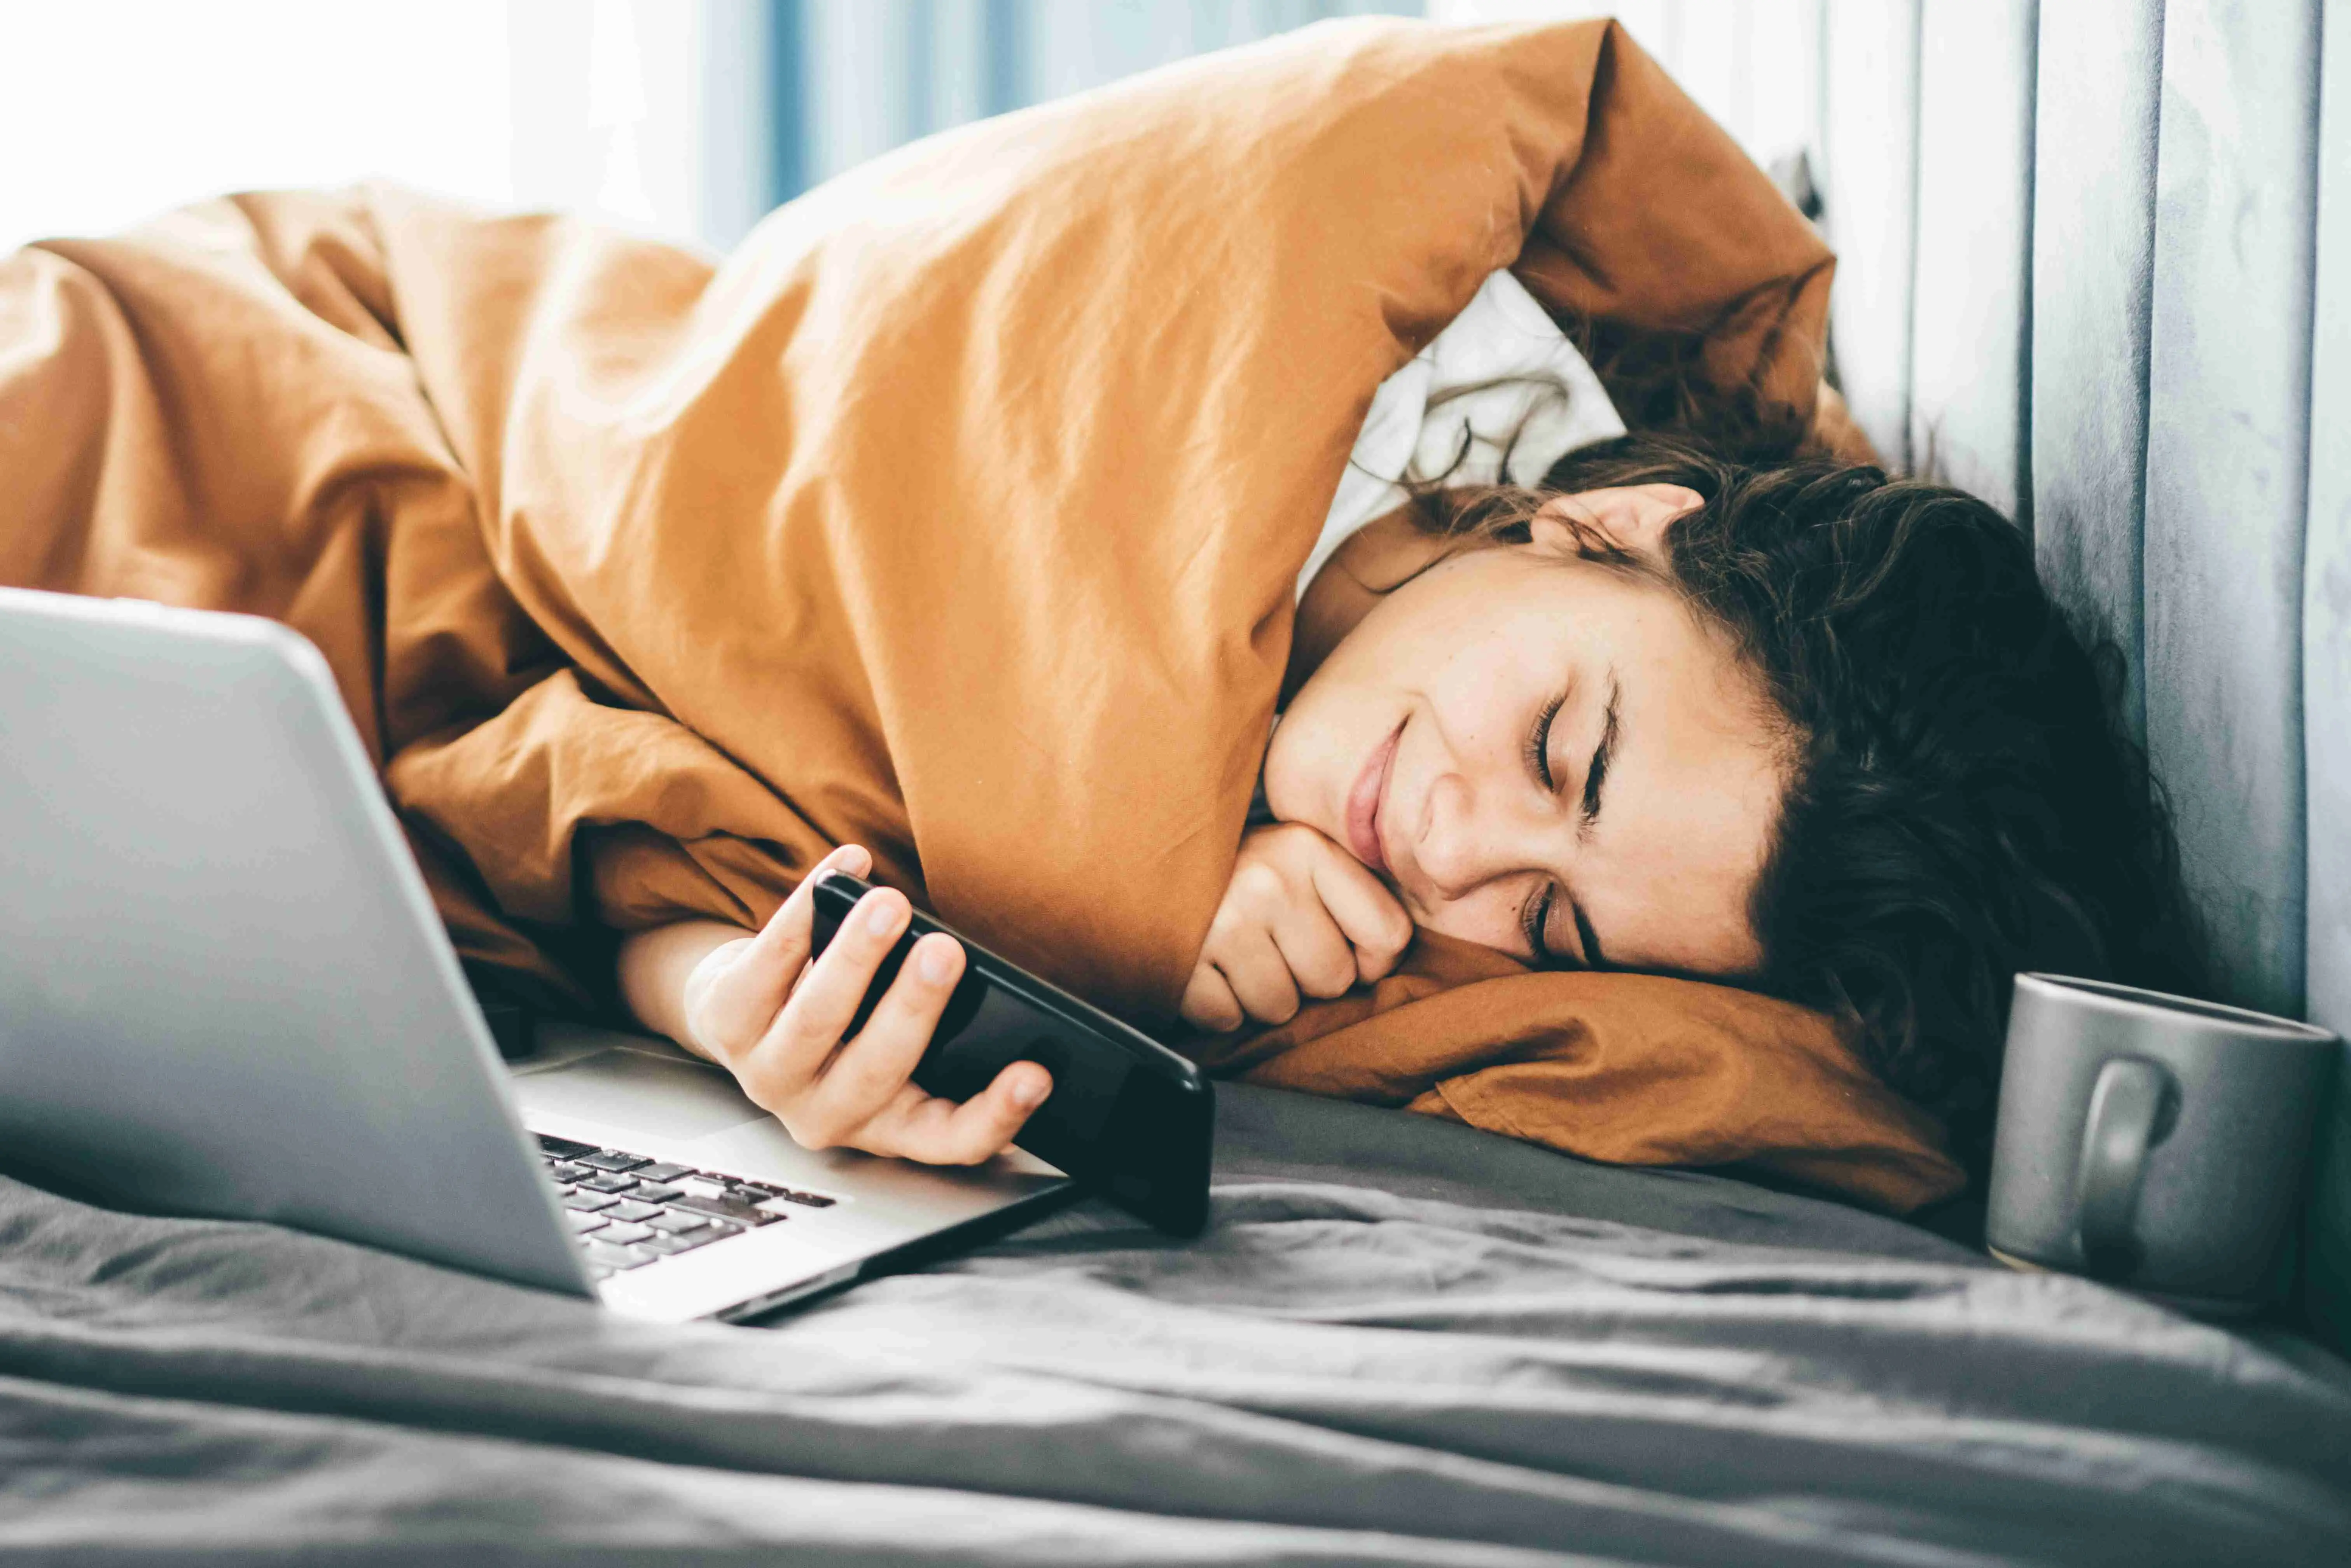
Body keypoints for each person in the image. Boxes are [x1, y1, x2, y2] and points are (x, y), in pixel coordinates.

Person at [613, 279, 2198, 1180]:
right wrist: (1128, 848)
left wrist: (736, 1015)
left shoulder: (1355, 917)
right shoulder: (1379, 329)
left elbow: (613, 801)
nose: (1449, 851)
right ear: (1615, 525)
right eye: (1559, 753)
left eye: (1552, 923)